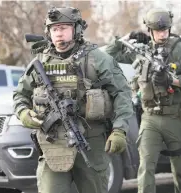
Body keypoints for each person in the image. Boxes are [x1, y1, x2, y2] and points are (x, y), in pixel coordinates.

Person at [13, 6, 133, 193]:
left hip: (90, 144)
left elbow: (122, 94)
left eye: (63, 28)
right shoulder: (40, 61)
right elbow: (20, 95)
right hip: (53, 146)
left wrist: (119, 130)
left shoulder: (97, 59)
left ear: (76, 29)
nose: (58, 34)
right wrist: (23, 113)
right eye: (54, 29)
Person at [105, 8, 181, 193]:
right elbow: (110, 55)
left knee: (180, 168)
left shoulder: (179, 49)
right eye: (158, 30)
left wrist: (172, 80)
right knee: (146, 166)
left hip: (175, 116)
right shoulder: (143, 50)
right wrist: (125, 37)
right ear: (149, 30)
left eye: (165, 30)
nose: (162, 34)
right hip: (150, 118)